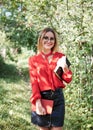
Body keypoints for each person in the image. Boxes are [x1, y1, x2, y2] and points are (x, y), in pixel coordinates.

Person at [28, 27, 72, 130]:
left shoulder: (62, 57)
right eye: (46, 38)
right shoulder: (33, 60)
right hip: (42, 99)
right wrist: (38, 103)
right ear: (41, 39)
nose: (49, 41)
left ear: (55, 41)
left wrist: (66, 69)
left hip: (58, 98)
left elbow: (68, 79)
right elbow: (34, 83)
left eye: (52, 38)